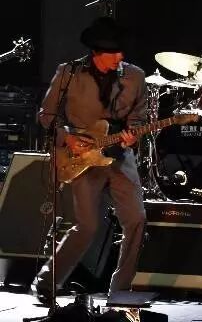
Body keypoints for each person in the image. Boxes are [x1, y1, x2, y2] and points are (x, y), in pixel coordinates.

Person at [33, 17, 147, 303]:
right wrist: (67, 137)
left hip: (120, 156)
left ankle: (120, 291)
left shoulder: (135, 76)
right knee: (87, 226)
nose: (119, 57)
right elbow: (46, 115)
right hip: (81, 157)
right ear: (96, 52)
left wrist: (133, 134)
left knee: (136, 219)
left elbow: (139, 116)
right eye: (113, 52)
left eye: (121, 51)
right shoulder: (69, 73)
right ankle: (47, 282)